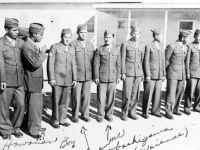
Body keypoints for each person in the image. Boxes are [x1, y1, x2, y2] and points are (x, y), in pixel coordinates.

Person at [0, 18, 25, 140]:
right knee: (4, 106)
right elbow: (0, 62)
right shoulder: (0, 43)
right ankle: (5, 129)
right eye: (14, 30)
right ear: (6, 29)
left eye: (18, 29)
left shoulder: (20, 42)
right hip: (6, 81)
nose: (17, 32)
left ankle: (16, 128)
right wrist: (2, 80)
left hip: (19, 80)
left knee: (21, 104)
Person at [21, 23, 47, 138]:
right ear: (34, 34)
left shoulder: (32, 45)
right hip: (32, 82)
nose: (42, 36)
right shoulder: (27, 46)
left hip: (35, 81)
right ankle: (34, 130)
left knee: (35, 106)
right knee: (34, 107)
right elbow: (35, 63)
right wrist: (43, 53)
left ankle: (33, 125)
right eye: (41, 34)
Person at [47, 28, 77, 128]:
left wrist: (74, 78)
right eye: (65, 37)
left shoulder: (72, 49)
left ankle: (63, 119)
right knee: (56, 100)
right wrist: (51, 78)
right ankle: (55, 120)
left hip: (68, 79)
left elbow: (73, 64)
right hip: (57, 79)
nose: (67, 39)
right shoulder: (55, 47)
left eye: (69, 37)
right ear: (61, 37)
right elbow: (50, 63)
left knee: (65, 100)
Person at [94, 30, 120, 123]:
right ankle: (100, 115)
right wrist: (96, 77)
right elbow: (96, 64)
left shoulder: (116, 50)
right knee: (101, 98)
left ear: (112, 39)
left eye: (109, 37)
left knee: (111, 98)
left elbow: (118, 64)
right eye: (106, 37)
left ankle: (109, 115)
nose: (107, 39)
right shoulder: (99, 49)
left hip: (113, 77)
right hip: (102, 77)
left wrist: (118, 76)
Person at [165, 30, 191, 119]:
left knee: (180, 92)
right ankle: (168, 111)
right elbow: (166, 60)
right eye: (188, 38)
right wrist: (166, 72)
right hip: (172, 72)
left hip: (182, 73)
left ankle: (175, 109)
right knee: (171, 93)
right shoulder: (171, 46)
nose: (189, 39)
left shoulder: (186, 47)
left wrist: (187, 72)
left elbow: (185, 61)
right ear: (183, 38)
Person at [71, 24, 94, 123]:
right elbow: (72, 61)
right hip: (77, 75)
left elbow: (92, 60)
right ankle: (75, 116)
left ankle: (85, 115)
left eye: (85, 32)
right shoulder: (73, 44)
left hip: (88, 75)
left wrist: (93, 75)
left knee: (86, 96)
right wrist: (73, 77)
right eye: (81, 32)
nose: (83, 34)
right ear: (77, 33)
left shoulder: (90, 44)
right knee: (76, 97)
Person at [121, 27, 144, 121]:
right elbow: (122, 59)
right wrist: (123, 72)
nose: (136, 35)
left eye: (138, 34)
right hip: (128, 72)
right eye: (134, 33)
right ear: (131, 34)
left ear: (140, 35)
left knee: (135, 94)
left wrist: (142, 73)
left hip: (138, 72)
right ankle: (124, 113)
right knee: (127, 93)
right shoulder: (125, 44)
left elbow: (142, 60)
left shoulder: (142, 46)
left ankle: (132, 112)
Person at [142, 28, 166, 119]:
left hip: (159, 74)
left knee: (157, 94)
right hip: (151, 75)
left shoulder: (161, 46)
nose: (163, 37)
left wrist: (164, 74)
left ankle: (156, 111)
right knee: (148, 94)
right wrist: (147, 74)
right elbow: (146, 62)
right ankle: (145, 112)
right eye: (161, 35)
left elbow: (163, 61)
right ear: (156, 36)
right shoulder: (149, 46)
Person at [184, 29, 200, 115]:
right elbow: (187, 61)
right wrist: (188, 72)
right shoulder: (190, 46)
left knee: (199, 91)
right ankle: (187, 107)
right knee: (190, 91)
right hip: (193, 72)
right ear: (195, 37)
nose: (199, 38)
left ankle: (197, 106)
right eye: (198, 36)